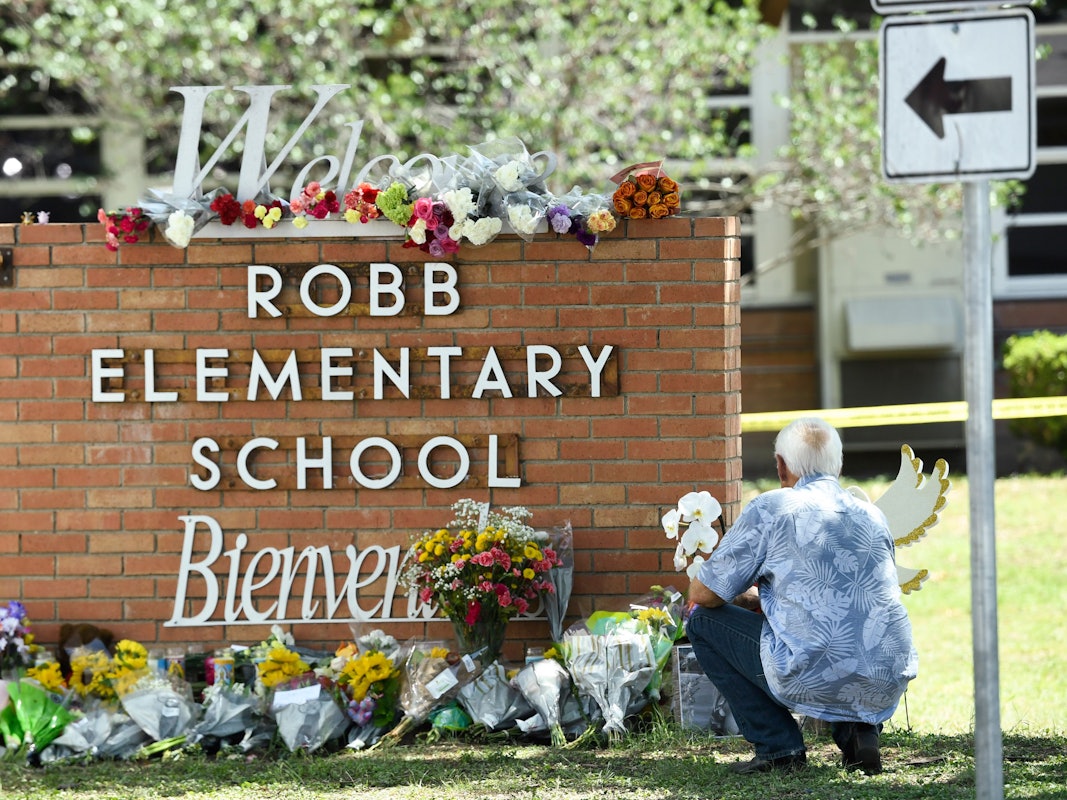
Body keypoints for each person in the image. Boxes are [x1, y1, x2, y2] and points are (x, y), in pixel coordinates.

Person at [686, 417, 918, 775]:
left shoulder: (772, 508)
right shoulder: (873, 515)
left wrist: (751, 594)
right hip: (886, 676)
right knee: (845, 638)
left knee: (702, 621)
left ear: (781, 466)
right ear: (838, 465)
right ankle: (859, 731)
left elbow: (705, 594)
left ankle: (779, 747)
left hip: (810, 671)